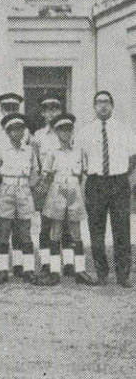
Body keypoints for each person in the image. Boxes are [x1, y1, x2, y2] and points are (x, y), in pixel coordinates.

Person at [32, 113, 97, 286]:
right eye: (61, 130)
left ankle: (80, 270)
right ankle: (54, 271)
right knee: (56, 230)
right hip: (57, 189)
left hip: (74, 190)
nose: (66, 133)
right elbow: (46, 176)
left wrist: (80, 193)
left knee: (76, 230)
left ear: (72, 131)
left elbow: (83, 175)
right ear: (56, 132)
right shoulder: (52, 153)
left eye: (69, 129)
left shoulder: (79, 152)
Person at [79, 91, 136, 288]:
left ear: (112, 105)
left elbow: (133, 156)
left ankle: (123, 275)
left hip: (118, 182)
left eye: (106, 102)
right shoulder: (86, 131)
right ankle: (101, 273)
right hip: (96, 183)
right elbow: (81, 159)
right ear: (94, 106)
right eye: (99, 102)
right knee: (96, 229)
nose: (103, 106)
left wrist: (123, 174)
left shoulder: (124, 129)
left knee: (122, 229)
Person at [0, 113, 38, 284]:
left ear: (24, 131)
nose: (17, 133)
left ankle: (28, 269)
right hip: (6, 188)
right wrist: (3, 188)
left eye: (20, 129)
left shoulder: (29, 150)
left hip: (24, 189)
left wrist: (29, 187)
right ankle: (2, 269)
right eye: (13, 130)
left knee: (25, 231)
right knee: (3, 230)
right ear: (7, 132)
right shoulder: (2, 149)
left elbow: (35, 170)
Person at [30, 95, 72, 277]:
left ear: (60, 111)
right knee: (46, 225)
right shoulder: (38, 136)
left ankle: (69, 263)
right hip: (46, 184)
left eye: (55, 108)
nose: (51, 113)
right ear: (42, 113)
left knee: (67, 224)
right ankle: (46, 262)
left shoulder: (68, 134)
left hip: (66, 184)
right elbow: (34, 162)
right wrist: (38, 185)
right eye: (46, 109)